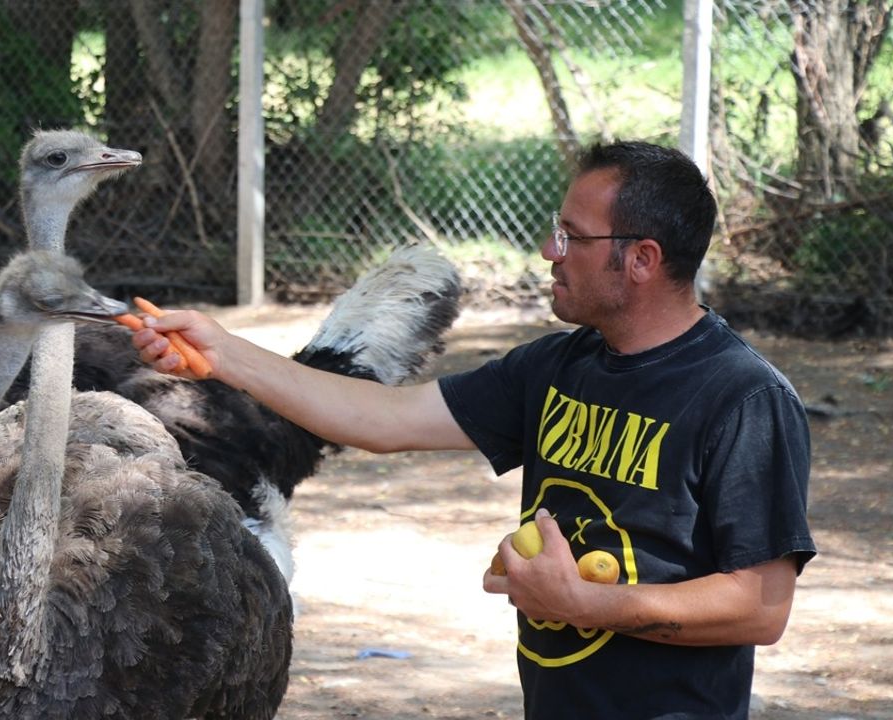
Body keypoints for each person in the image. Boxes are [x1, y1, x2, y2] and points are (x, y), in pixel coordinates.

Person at [130, 140, 816, 719]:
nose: (551, 249)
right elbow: (386, 419)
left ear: (641, 259)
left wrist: (586, 603)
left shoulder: (741, 398)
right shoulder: (557, 366)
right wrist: (224, 353)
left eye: (573, 236)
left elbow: (761, 607)